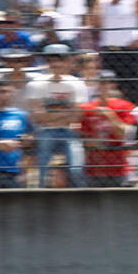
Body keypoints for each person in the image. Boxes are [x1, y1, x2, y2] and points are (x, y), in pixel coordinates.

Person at [24, 44, 88, 188]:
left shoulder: (77, 84)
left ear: (68, 61)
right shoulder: (36, 84)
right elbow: (37, 116)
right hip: (44, 130)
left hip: (69, 131)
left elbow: (77, 116)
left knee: (76, 167)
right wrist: (67, 112)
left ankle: (80, 197)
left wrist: (51, 114)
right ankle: (40, 196)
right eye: (52, 60)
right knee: (42, 171)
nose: (56, 64)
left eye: (60, 60)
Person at [79, 71, 137, 187]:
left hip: (119, 166)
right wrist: (91, 142)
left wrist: (110, 116)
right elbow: (81, 137)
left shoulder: (125, 106)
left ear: (113, 85)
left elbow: (125, 135)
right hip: (94, 167)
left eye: (107, 83)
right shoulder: (87, 108)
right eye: (100, 83)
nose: (103, 87)